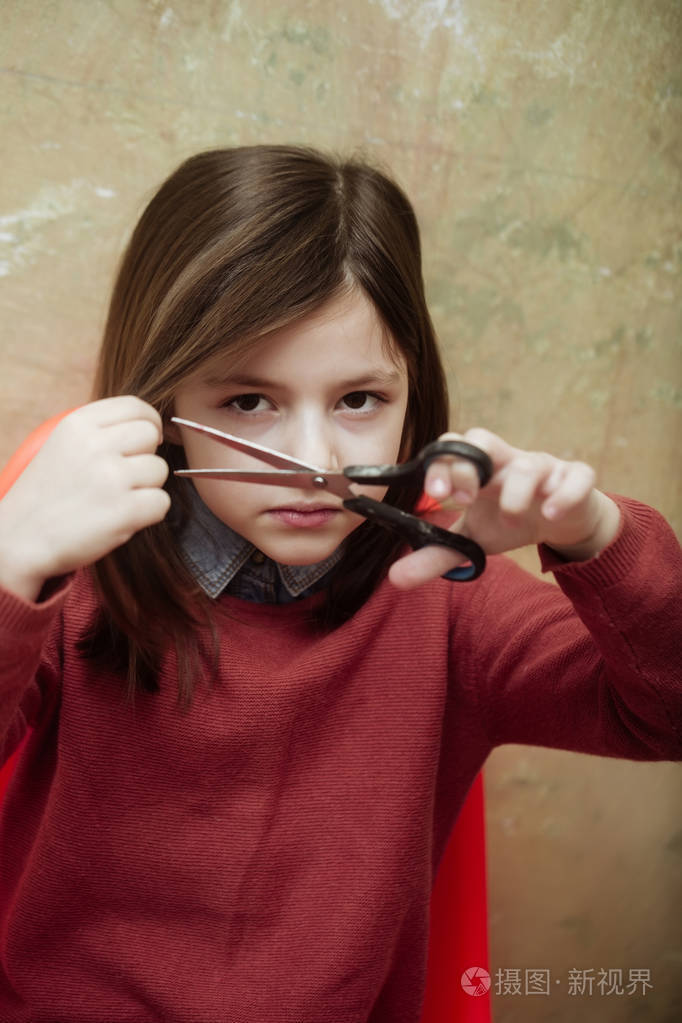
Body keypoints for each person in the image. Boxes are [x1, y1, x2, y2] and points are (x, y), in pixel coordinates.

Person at [0, 145, 679, 1023]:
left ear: (412, 392)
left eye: (359, 399)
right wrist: (12, 561)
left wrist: (597, 536)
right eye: (250, 401)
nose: (315, 466)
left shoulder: (450, 600)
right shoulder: (74, 572)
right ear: (163, 402)